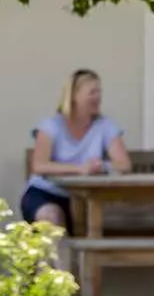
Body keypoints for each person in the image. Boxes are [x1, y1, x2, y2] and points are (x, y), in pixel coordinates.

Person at [21, 68, 129, 226]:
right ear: (73, 96)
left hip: (87, 198)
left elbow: (124, 164)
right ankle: (56, 252)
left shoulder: (105, 125)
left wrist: (102, 166)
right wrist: (79, 169)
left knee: (111, 220)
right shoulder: (51, 125)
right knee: (51, 216)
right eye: (92, 92)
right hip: (47, 193)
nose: (98, 98)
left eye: (99, 92)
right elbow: (39, 166)